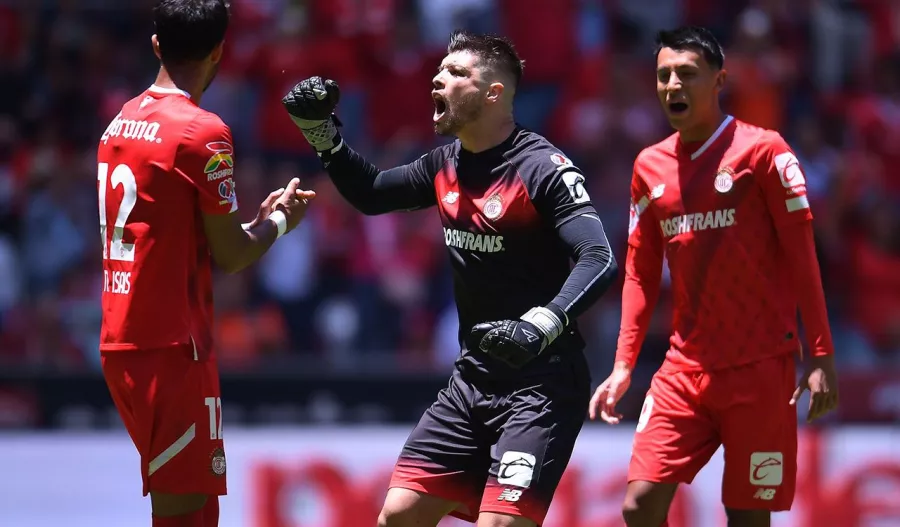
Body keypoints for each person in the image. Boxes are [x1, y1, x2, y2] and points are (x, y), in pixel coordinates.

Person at [282, 30, 618, 527]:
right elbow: (372, 192)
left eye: (457, 72)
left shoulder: (543, 168)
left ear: (494, 93)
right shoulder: (444, 164)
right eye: (439, 70)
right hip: (471, 381)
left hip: (541, 387)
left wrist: (539, 325)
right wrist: (323, 136)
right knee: (398, 516)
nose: (438, 78)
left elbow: (598, 256)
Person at [588, 26, 840, 527]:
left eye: (687, 74)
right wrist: (623, 365)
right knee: (639, 505)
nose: (672, 86)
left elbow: (802, 256)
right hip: (684, 368)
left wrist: (821, 355)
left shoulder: (765, 153)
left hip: (760, 370)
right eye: (663, 76)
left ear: (719, 79)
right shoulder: (649, 166)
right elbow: (639, 270)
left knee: (746, 517)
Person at [97, 2, 315, 526]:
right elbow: (233, 256)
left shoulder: (119, 121)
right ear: (219, 52)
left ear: (156, 45)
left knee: (200, 511)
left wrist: (252, 222)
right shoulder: (203, 132)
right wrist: (280, 222)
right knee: (183, 514)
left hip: (125, 336)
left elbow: (173, 234)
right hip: (172, 348)